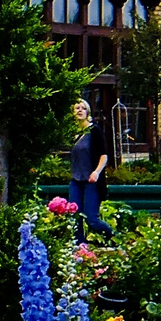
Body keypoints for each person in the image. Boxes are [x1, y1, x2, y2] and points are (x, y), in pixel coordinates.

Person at [68, 99, 112, 242]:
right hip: (76, 180)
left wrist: (97, 172)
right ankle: (80, 248)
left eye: (83, 108)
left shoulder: (94, 131)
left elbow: (104, 155)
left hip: (91, 180)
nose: (80, 110)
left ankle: (113, 236)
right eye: (77, 108)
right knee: (74, 217)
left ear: (88, 112)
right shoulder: (72, 133)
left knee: (91, 219)